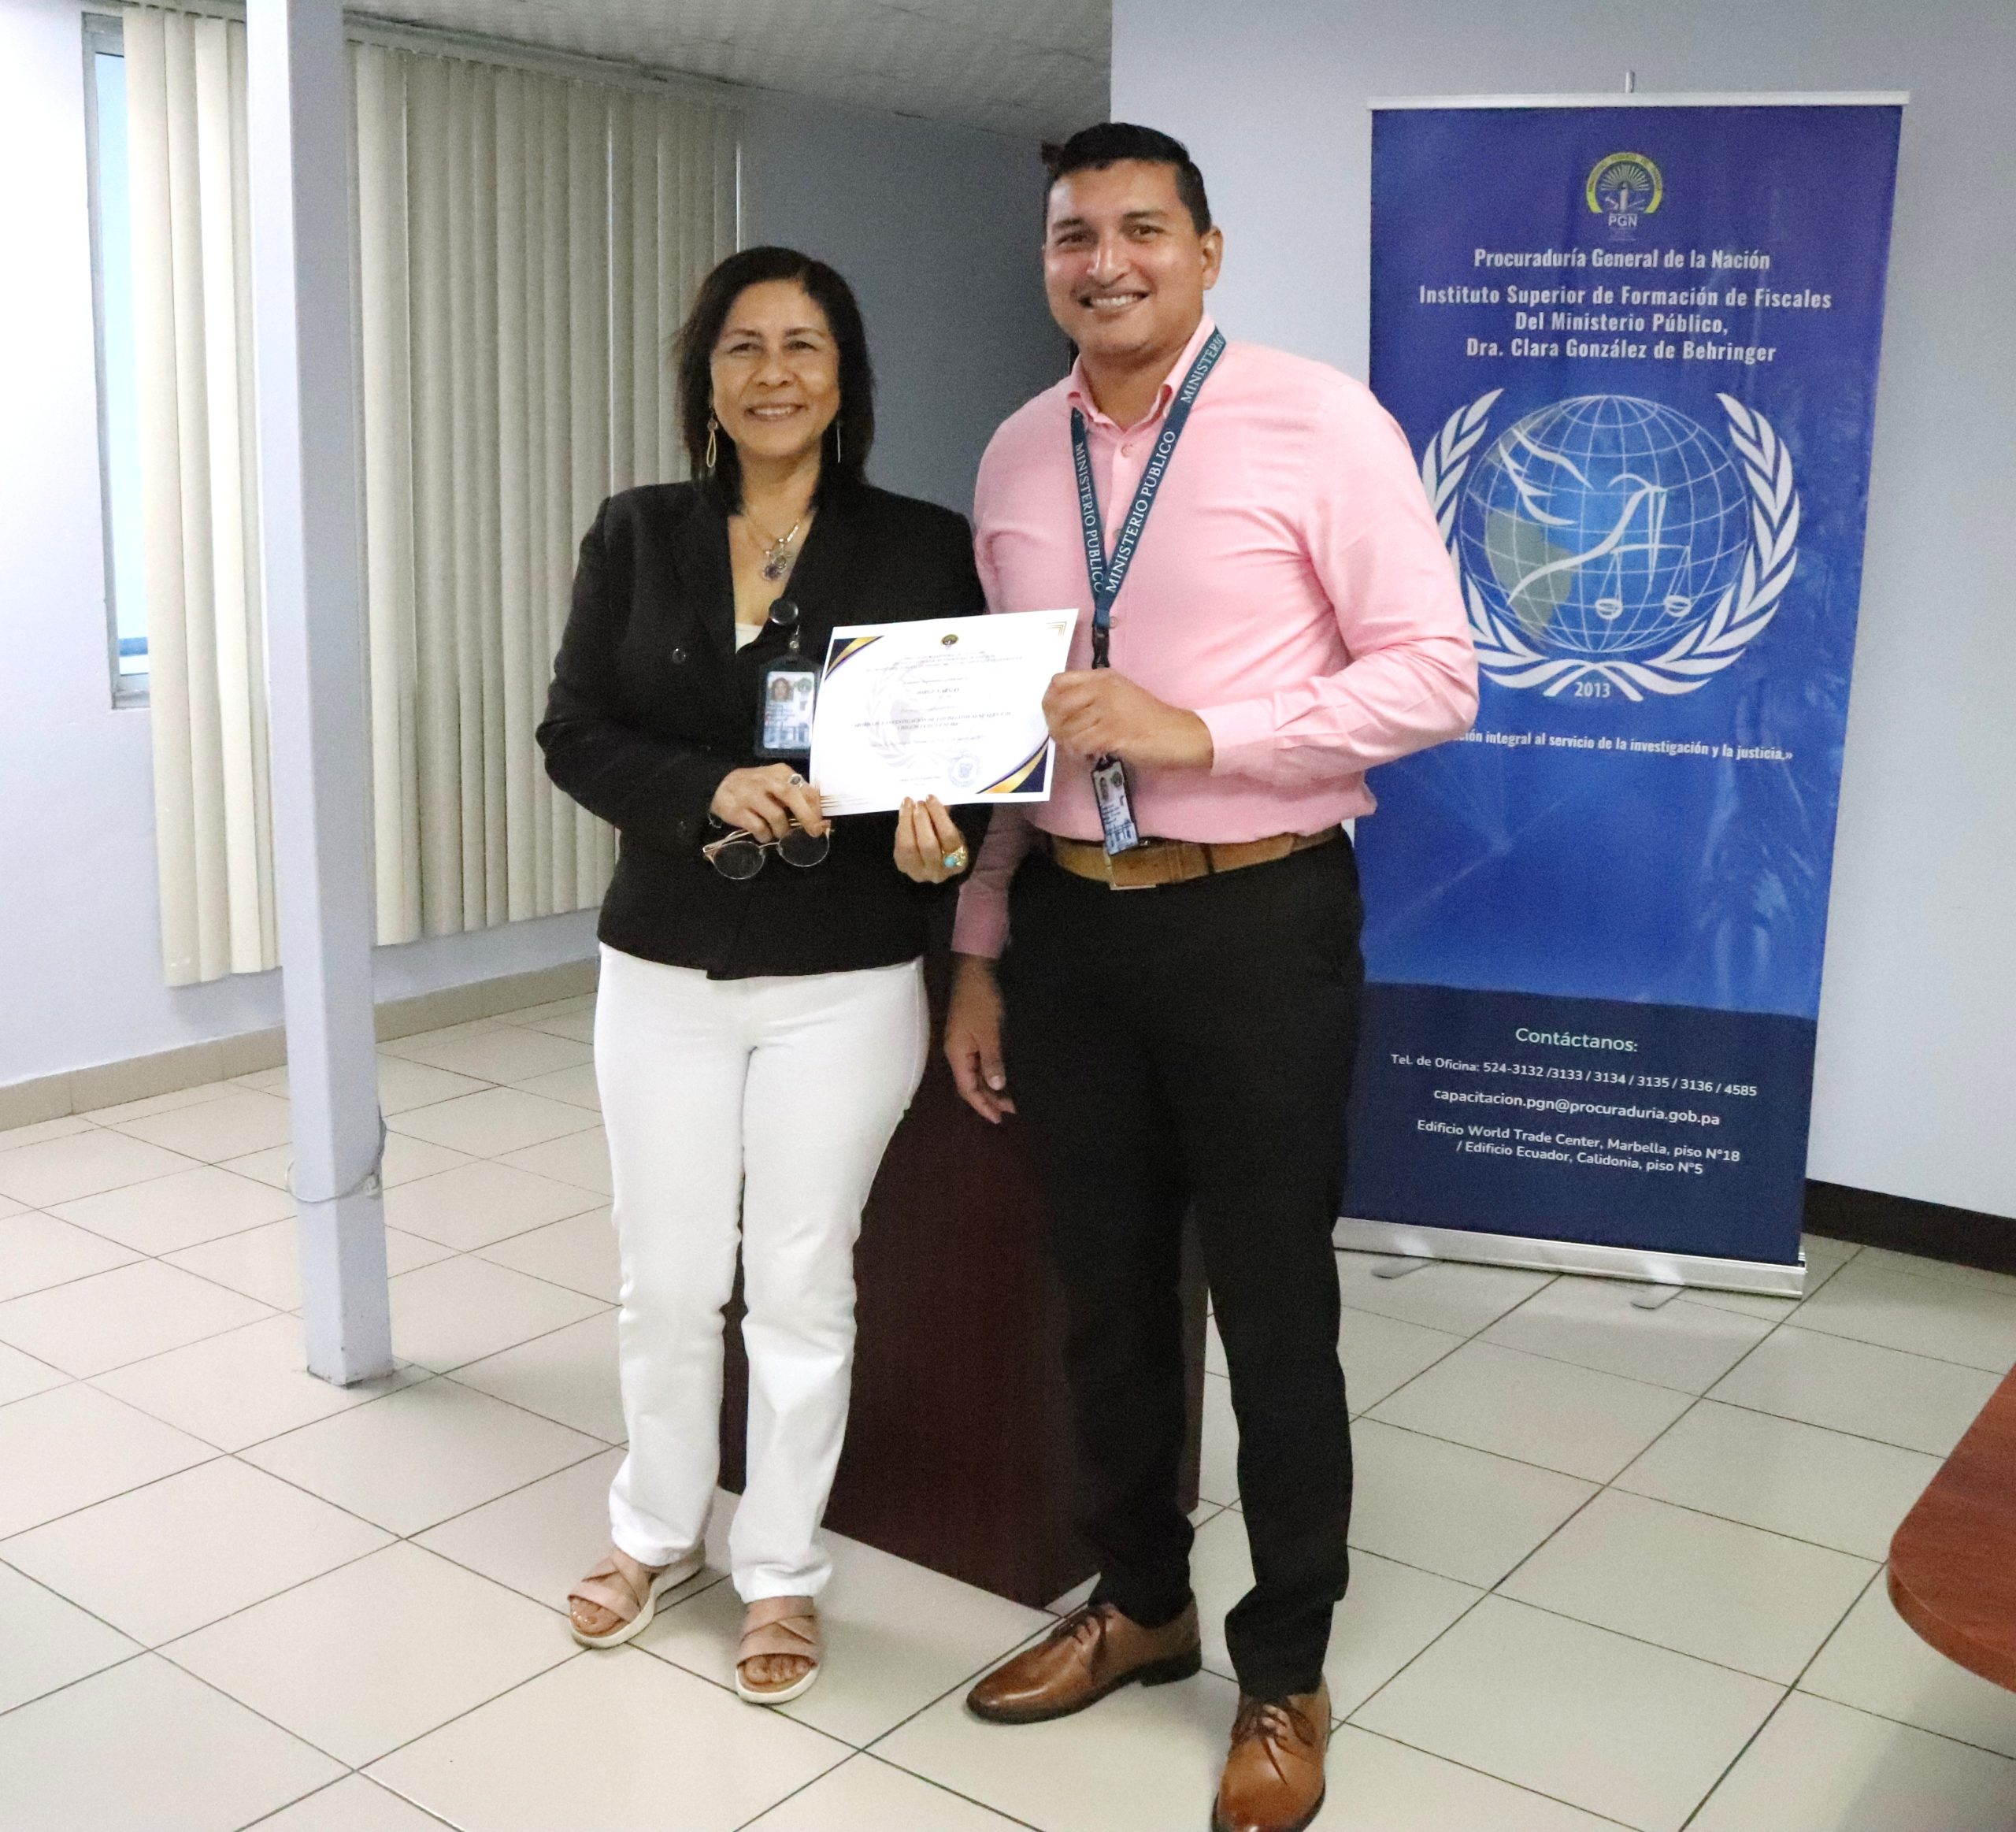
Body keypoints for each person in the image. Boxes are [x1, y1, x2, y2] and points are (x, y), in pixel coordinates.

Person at [946, 125, 1477, 1832]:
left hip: (1256, 919)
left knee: (1273, 1305)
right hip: (1071, 931)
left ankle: (1285, 1664)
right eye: (1072, 235)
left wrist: (1203, 730)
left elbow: (1436, 674)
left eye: (1142, 229)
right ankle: (1140, 1604)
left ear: (1207, 251)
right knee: (1103, 1293)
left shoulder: (1318, 419)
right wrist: (978, 942)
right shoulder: (1014, 452)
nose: (1105, 262)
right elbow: (1010, 734)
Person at [539, 245, 978, 1705]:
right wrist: (706, 786)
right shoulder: (637, 532)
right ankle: (655, 1531)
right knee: (665, 1277)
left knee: (799, 1279)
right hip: (662, 963)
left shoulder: (920, 546)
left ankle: (781, 1563)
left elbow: (960, 764)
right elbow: (575, 730)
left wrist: (941, 841)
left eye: (803, 346)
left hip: (843, 973)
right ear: (706, 376)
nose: (772, 372)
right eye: (743, 346)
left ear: (845, 379)